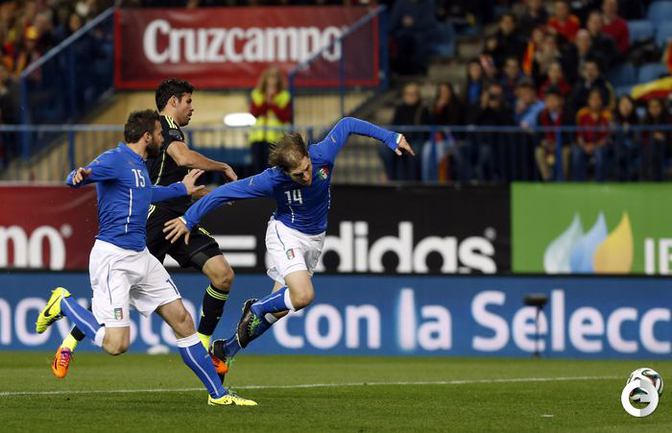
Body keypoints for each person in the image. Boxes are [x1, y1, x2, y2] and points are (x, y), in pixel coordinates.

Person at [35, 110, 256, 406]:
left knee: (183, 321)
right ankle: (63, 303)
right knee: (116, 345)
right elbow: (80, 176)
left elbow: (146, 193)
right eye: (160, 134)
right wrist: (78, 176)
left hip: (141, 256)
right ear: (147, 136)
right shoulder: (115, 158)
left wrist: (181, 189)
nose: (163, 139)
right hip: (114, 259)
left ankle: (219, 395)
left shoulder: (139, 166)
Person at [163, 117, 414, 368]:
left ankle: (224, 351)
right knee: (302, 295)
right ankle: (256, 308)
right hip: (287, 234)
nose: (307, 176)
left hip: (315, 239)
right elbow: (222, 193)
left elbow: (347, 124)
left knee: (280, 308)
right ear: (284, 172)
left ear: (308, 155)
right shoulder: (272, 180)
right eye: (298, 174)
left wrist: (392, 138)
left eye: (307, 168)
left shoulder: (322, 154)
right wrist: (188, 219)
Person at [248, 66, 292, 176]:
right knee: (257, 168)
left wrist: (272, 103)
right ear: (265, 79)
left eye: (275, 77)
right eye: (270, 77)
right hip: (257, 137)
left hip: (275, 138)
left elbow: (285, 117)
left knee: (272, 168)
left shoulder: (284, 96)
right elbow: (255, 113)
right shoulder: (256, 94)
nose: (272, 81)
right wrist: (266, 100)